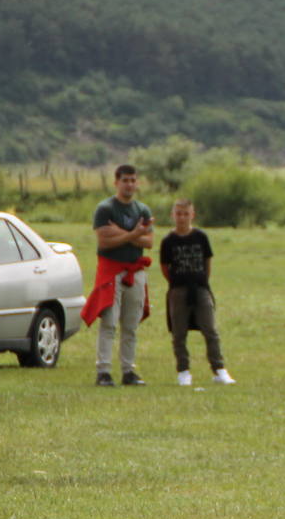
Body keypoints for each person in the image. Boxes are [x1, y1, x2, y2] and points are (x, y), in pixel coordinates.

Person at [82, 164, 153, 386]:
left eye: (133, 180)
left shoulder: (142, 210)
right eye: (125, 180)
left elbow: (149, 242)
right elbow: (104, 241)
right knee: (110, 321)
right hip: (111, 270)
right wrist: (134, 234)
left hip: (135, 270)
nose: (130, 184)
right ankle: (103, 371)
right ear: (116, 182)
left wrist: (122, 234)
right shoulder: (105, 209)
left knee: (131, 324)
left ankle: (128, 370)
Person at [160, 199, 236, 385]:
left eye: (186, 214)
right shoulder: (168, 241)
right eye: (178, 214)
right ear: (173, 215)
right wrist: (176, 282)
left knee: (210, 329)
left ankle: (219, 370)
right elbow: (164, 266)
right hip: (178, 290)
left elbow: (207, 261)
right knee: (179, 333)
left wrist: (202, 280)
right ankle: (183, 371)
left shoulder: (201, 237)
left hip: (201, 288)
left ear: (192, 215)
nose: (182, 218)